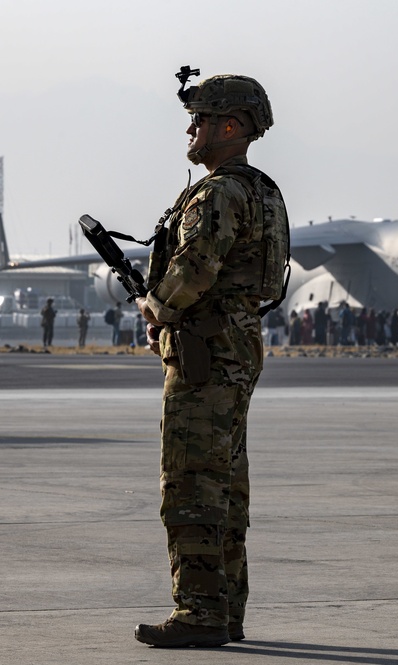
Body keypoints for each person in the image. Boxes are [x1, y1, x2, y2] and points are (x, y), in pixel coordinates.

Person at [133, 69, 289, 648]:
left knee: (192, 482)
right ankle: (226, 608)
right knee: (226, 484)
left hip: (204, 349)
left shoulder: (220, 192)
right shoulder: (263, 190)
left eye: (201, 120)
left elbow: (194, 269)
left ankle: (200, 611)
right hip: (236, 342)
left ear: (233, 126)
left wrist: (158, 310)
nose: (192, 130)